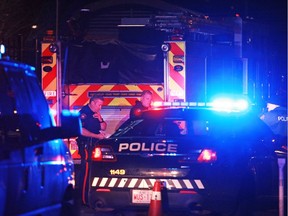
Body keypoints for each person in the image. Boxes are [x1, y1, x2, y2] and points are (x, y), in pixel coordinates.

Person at [76, 95, 107, 204]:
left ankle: (89, 196)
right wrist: (96, 136)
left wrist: (100, 119)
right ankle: (83, 199)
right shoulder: (84, 113)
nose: (100, 107)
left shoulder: (96, 113)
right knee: (86, 170)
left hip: (94, 146)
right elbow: (81, 130)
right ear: (93, 103)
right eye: (99, 105)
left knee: (92, 170)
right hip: (86, 145)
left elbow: (103, 127)